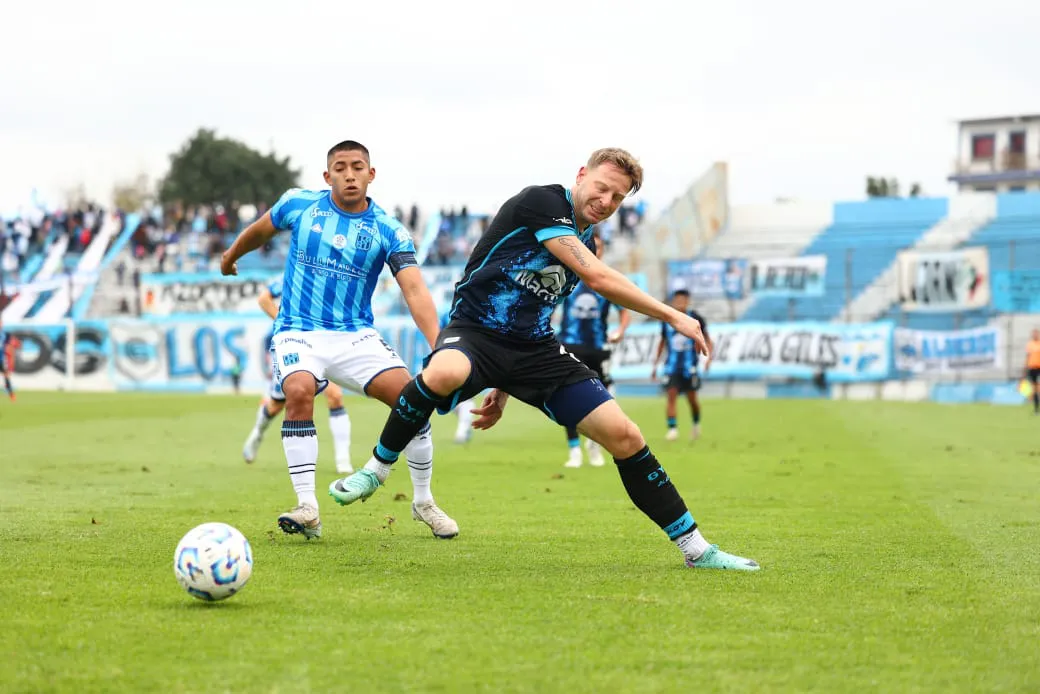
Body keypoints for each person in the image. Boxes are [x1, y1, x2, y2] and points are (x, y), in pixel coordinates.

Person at [330, 148, 758, 571]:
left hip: (534, 350)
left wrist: (504, 386)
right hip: (476, 333)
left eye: (618, 198)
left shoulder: (590, 238)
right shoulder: (543, 202)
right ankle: (376, 469)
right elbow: (596, 277)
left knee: (625, 436)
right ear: (580, 176)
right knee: (444, 371)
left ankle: (697, 549)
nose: (606, 202)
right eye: (602, 188)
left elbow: (540, 303)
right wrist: (673, 315)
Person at [221, 139, 458, 541]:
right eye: (341, 167)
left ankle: (423, 502)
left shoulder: (388, 230)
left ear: (371, 174)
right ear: (327, 175)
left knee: (413, 400)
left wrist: (440, 346)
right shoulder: (299, 205)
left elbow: (415, 291)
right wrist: (230, 256)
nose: (350, 174)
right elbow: (258, 231)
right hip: (298, 329)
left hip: (354, 336)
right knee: (297, 391)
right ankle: (307, 507)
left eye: (358, 167)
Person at [242, 274, 354, 475]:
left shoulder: (330, 273)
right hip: (293, 345)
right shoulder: (294, 274)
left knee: (335, 396)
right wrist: (287, 324)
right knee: (277, 405)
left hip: (322, 343)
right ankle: (258, 432)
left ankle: (343, 460)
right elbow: (264, 299)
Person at [555, 230, 630, 467]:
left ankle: (595, 447)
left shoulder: (607, 278)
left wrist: (620, 331)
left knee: (605, 398)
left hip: (598, 347)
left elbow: (625, 309)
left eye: (597, 247)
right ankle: (574, 451)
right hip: (570, 345)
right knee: (567, 397)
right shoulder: (567, 275)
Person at [650, 289, 709, 441]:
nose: (680, 303)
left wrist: (708, 358)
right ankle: (672, 429)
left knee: (692, 399)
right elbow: (662, 342)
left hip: (690, 367)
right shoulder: (667, 319)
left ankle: (696, 424)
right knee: (671, 395)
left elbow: (707, 339)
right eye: (677, 300)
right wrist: (655, 365)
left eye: (682, 300)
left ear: (687, 301)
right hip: (671, 366)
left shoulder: (695, 318)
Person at [0, 318, 18, 401]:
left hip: (1, 359)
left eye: (1, 322)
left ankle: (11, 394)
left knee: (6, 375)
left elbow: (12, 344)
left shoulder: (5, 334)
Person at [1026, 328, 1040, 415]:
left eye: (1036, 334)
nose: (1035, 335)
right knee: (1034, 389)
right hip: (1032, 369)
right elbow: (1027, 356)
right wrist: (1025, 368)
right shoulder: (1030, 344)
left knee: (1038, 388)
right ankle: (1036, 409)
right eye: (1033, 334)